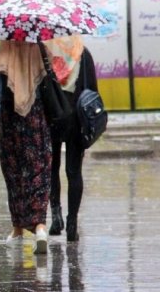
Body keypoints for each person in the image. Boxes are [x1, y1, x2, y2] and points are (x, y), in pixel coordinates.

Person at [0, 41, 52, 254]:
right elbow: (50, 84)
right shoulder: (40, 50)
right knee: (39, 171)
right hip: (36, 118)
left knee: (14, 174)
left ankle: (18, 230)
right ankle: (40, 227)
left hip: (10, 119)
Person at [44, 37, 98, 242]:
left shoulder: (45, 52)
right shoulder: (83, 53)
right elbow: (92, 90)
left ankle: (56, 217)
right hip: (76, 118)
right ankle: (72, 223)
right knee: (74, 171)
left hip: (51, 117)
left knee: (52, 169)